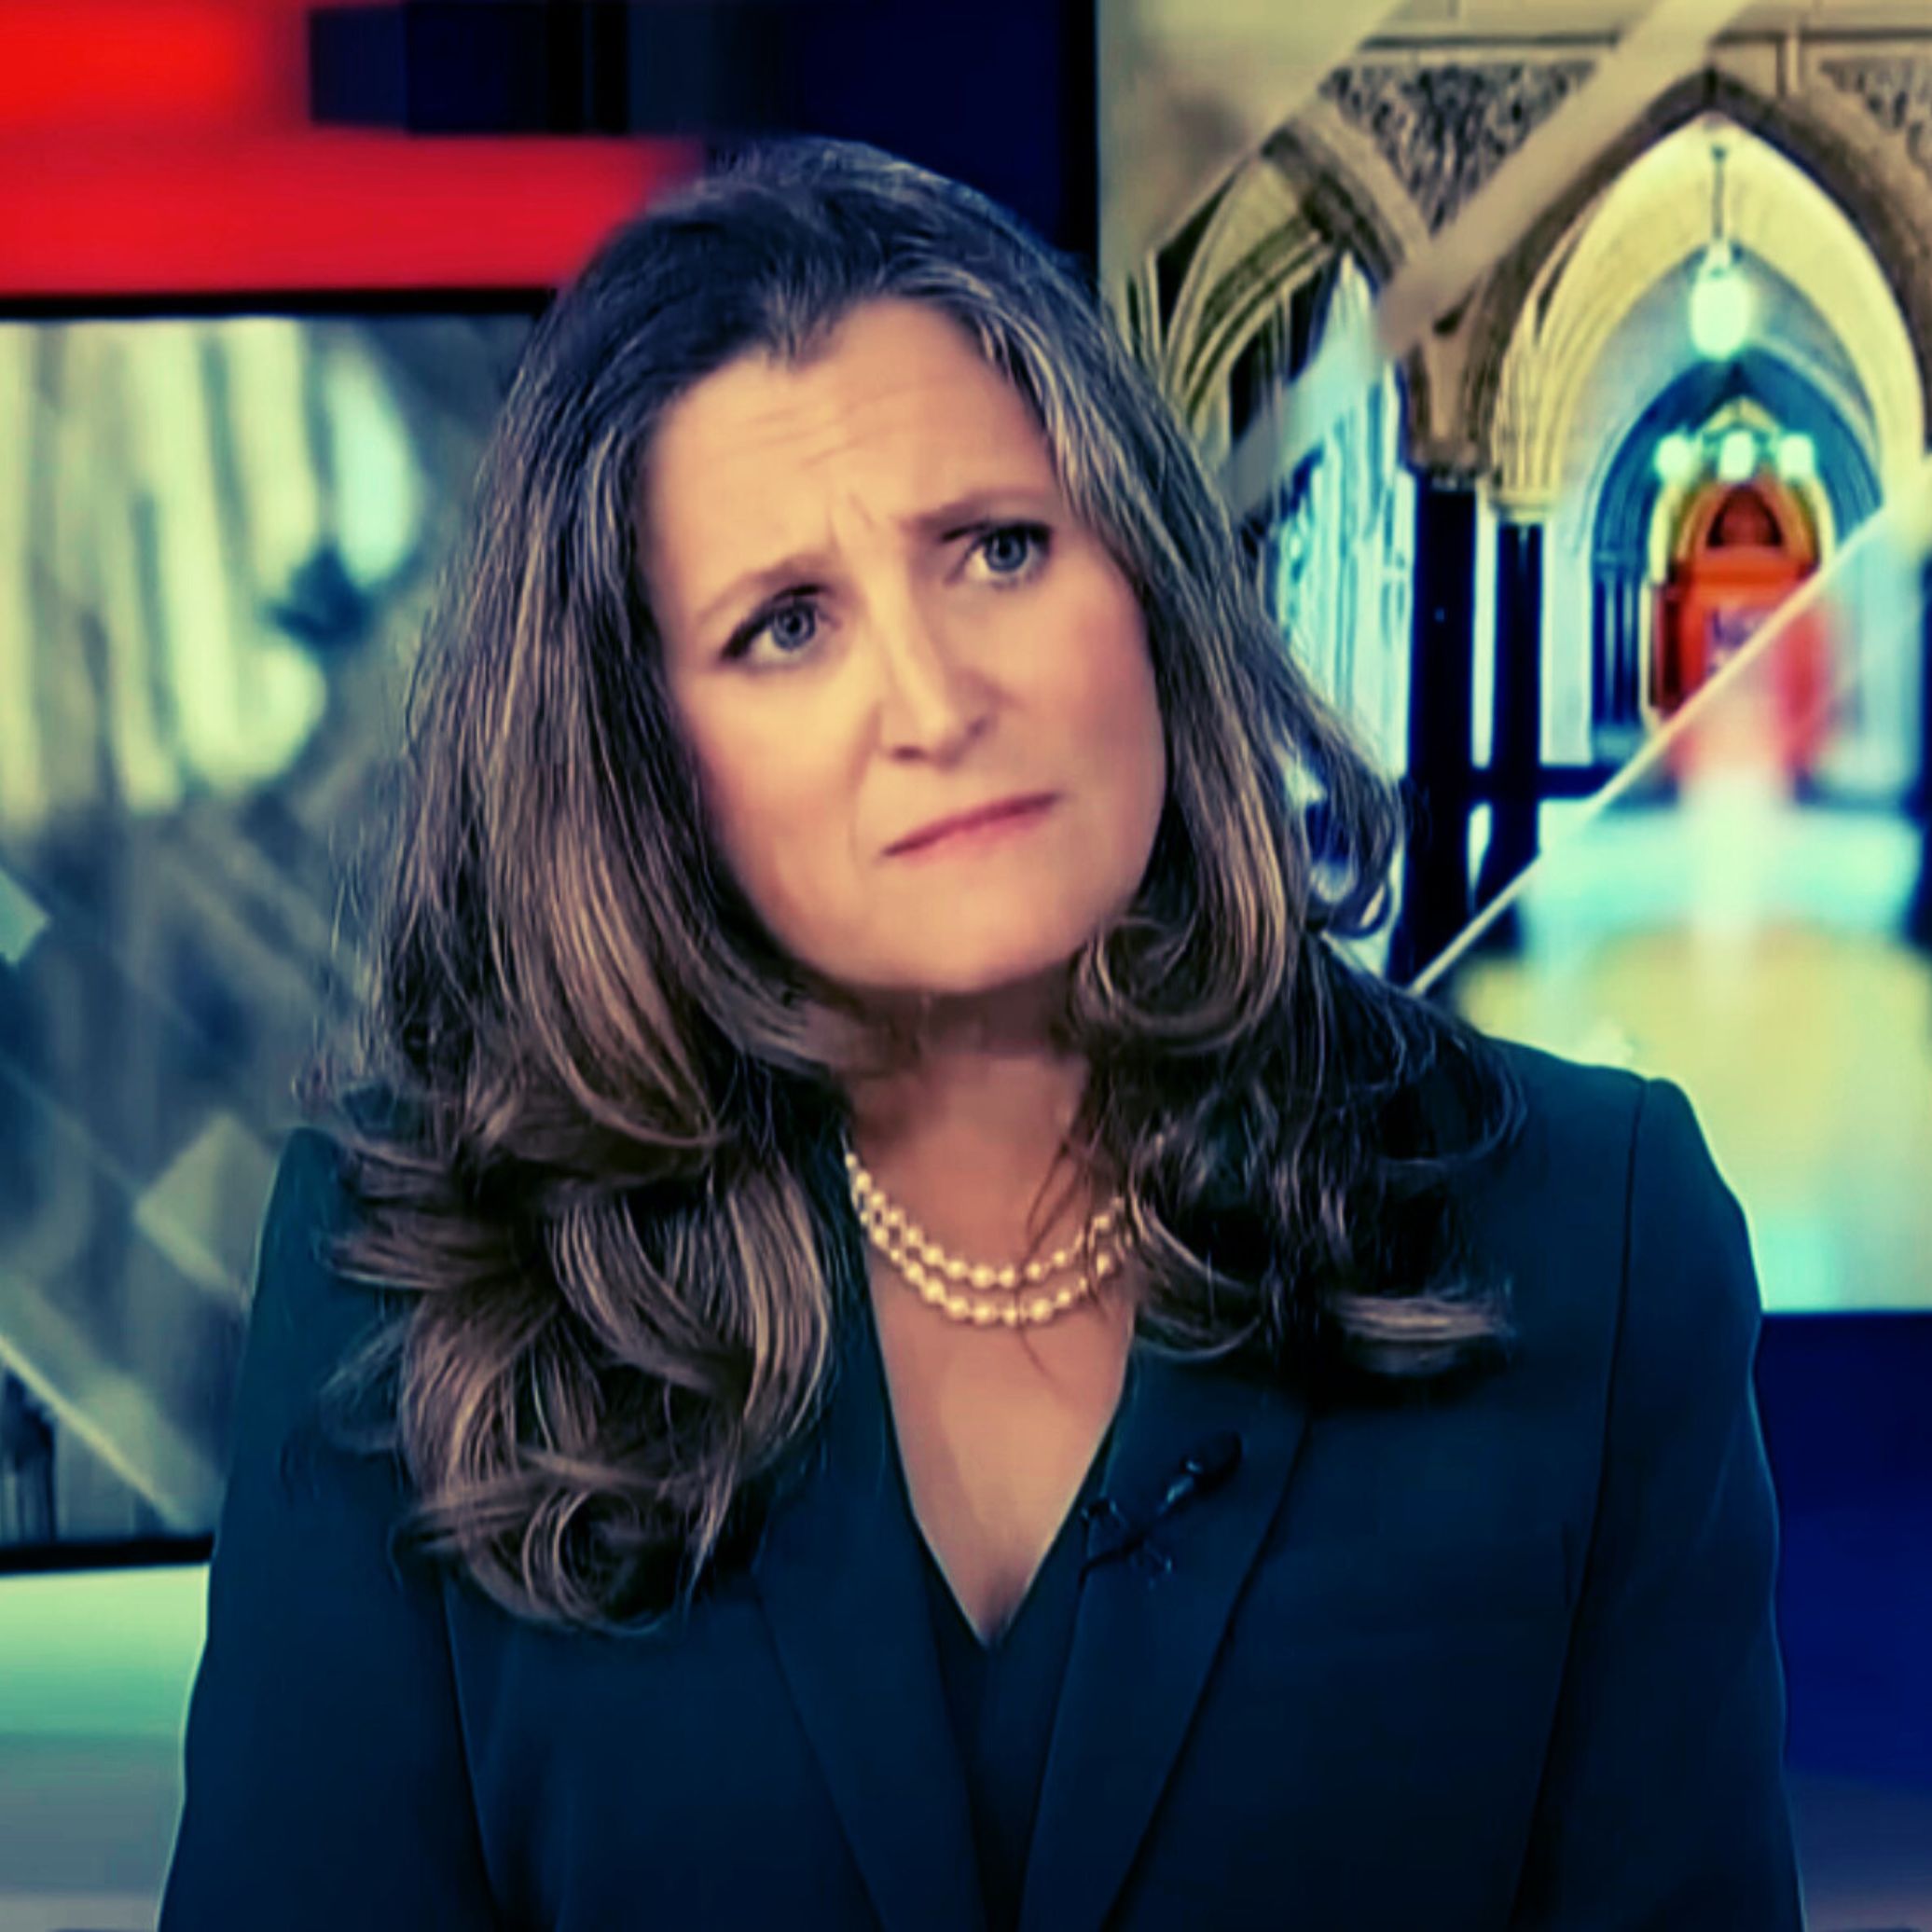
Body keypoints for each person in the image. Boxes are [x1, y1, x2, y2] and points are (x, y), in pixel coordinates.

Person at [159, 137, 1803, 1930]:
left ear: (1154, 592)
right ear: (649, 761)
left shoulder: (1589, 1230)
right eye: (786, 626)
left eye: (1000, 550)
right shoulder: (413, 1276)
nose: (937, 704)